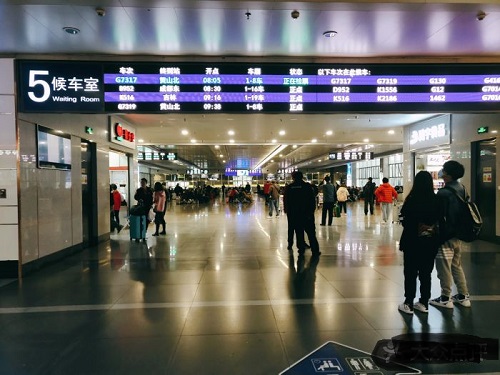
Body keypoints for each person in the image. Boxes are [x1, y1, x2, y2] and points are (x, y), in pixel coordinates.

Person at [398, 171, 443, 314]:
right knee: (426, 272)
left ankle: (408, 302)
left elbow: (404, 219)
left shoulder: (412, 200)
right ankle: (424, 302)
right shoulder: (436, 200)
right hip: (430, 242)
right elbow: (440, 219)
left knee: (410, 272)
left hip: (412, 242)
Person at [430, 160, 472, 309]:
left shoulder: (444, 193)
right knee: (456, 265)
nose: (442, 172)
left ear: (447, 174)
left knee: (444, 267)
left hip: (445, 235)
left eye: (443, 170)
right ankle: (463, 295)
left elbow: (438, 216)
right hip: (458, 234)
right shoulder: (462, 188)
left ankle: (445, 297)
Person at [283, 171, 320, 257]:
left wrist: (288, 212)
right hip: (307, 214)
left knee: (299, 232)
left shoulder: (290, 187)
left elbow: (286, 201)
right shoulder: (307, 187)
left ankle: (301, 249)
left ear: (293, 177)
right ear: (302, 177)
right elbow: (312, 200)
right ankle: (315, 250)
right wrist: (311, 212)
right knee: (311, 233)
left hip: (295, 215)